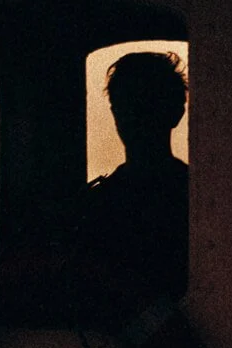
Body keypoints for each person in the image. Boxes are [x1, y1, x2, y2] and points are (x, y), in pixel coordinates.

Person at [76, 50, 189, 299]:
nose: (134, 117)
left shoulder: (96, 203)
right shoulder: (196, 197)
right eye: (126, 105)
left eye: (146, 104)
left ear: (175, 112)